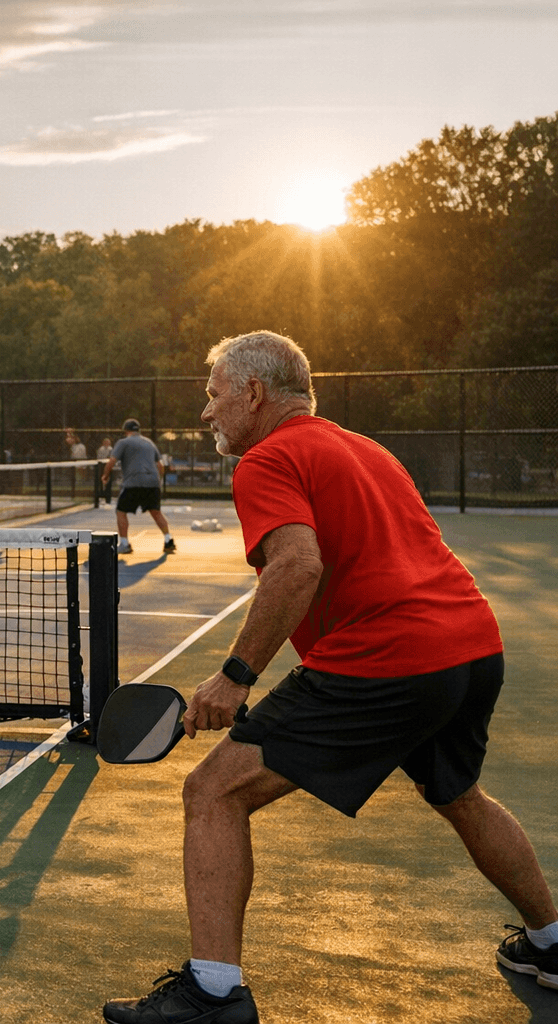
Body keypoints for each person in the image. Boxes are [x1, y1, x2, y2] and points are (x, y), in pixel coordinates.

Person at [103, 331, 558, 1024]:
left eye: (213, 395)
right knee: (459, 793)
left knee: (213, 793)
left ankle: (214, 994)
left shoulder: (266, 459)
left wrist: (234, 677)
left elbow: (298, 566)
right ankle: (550, 945)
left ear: (254, 394)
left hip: (388, 658)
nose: (207, 413)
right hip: (470, 646)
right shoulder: (365, 447)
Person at [100, 418, 174, 555]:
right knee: (156, 512)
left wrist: (105, 476)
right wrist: (157, 481)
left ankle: (124, 543)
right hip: (152, 482)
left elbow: (111, 461)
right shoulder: (149, 443)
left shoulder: (123, 442)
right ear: (138, 430)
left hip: (133, 482)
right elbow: (160, 466)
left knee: (121, 511)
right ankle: (168, 540)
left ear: (126, 431)